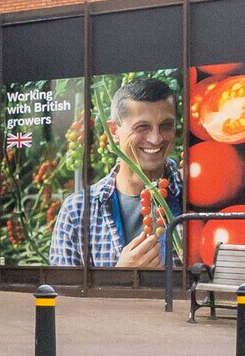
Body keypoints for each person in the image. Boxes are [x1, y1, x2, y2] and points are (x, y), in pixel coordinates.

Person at [48, 76, 184, 269]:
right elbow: (62, 288)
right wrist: (120, 275)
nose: (156, 139)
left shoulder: (196, 194)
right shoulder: (78, 211)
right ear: (113, 131)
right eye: (142, 127)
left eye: (166, 126)